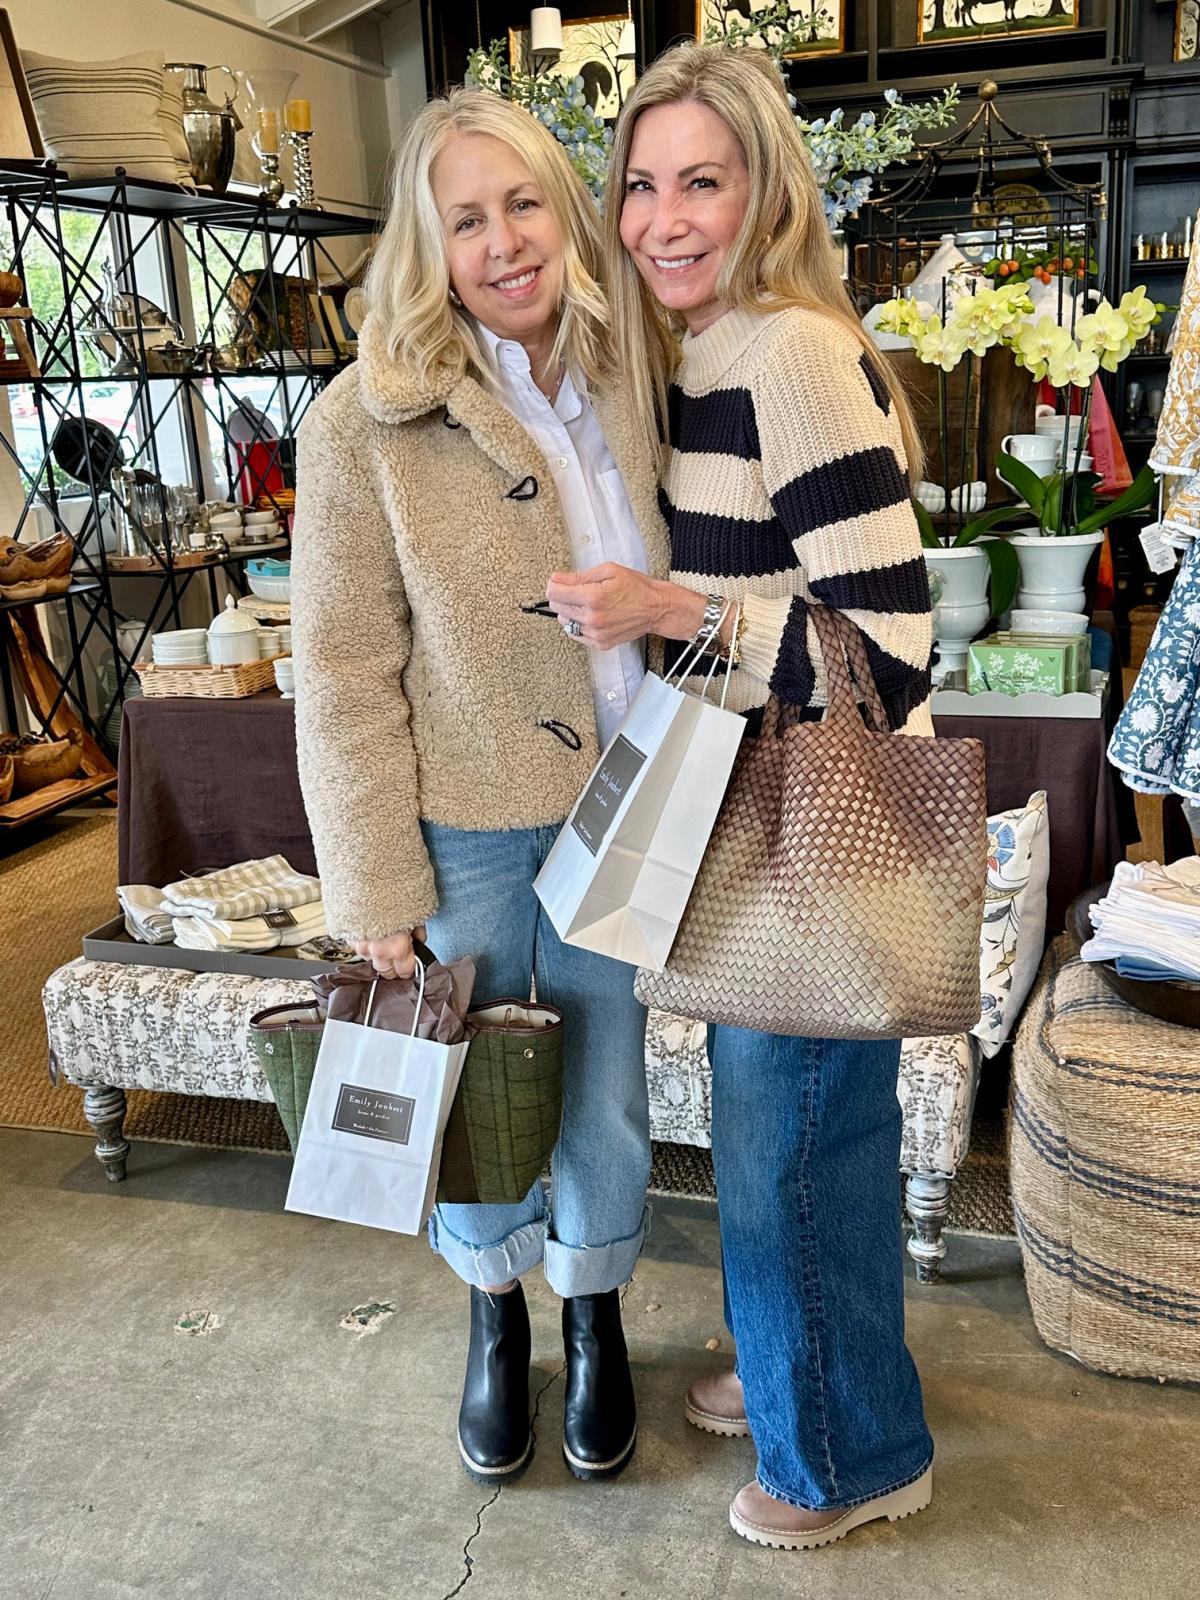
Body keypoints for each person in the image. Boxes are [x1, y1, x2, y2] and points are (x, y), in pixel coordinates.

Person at [544, 43, 936, 1549]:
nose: (661, 217)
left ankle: (849, 1454)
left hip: (816, 827)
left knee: (795, 1146)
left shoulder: (788, 355)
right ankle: (807, 1369)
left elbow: (888, 661)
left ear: (765, 190)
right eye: (640, 184)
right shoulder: (700, 352)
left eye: (700, 179)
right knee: (787, 1134)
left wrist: (665, 610)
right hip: (751, 812)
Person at [290, 88, 670, 1487]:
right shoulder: (362, 425)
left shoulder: (638, 364)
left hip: (632, 804)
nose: (505, 243)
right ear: (428, 242)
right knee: (479, 1097)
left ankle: (601, 1306)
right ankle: (496, 1314)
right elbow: (336, 671)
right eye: (468, 218)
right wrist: (375, 893)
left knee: (606, 1096)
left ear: (566, 211)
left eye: (524, 204)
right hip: (474, 828)